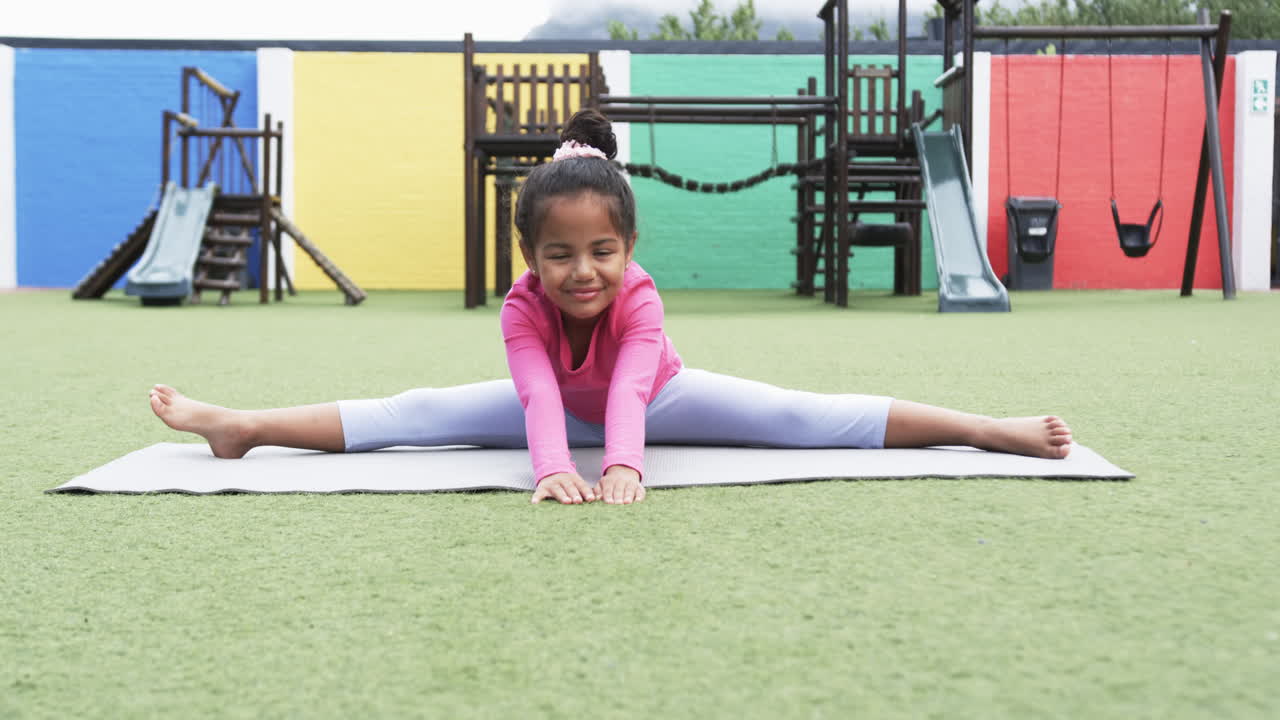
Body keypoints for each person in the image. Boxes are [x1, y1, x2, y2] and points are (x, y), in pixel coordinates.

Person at [150, 109, 1072, 506]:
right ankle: (241, 426)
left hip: (662, 397)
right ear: (530, 257)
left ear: (628, 250)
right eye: (560, 256)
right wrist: (552, 468)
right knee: (414, 414)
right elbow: (539, 398)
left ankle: (988, 429)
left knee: (805, 416)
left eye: (601, 252)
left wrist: (625, 467)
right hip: (551, 401)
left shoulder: (639, 299)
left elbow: (629, 391)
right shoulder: (523, 308)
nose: (582, 273)